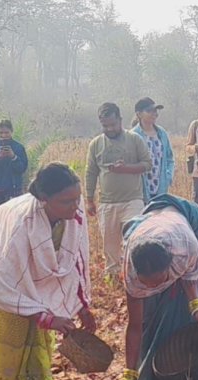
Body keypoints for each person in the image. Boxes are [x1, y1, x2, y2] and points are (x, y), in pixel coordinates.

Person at [0, 162, 96, 380]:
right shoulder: (20, 225)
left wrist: (82, 305)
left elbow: (77, 259)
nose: (75, 207)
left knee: (40, 337)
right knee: (11, 331)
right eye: (66, 202)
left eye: (77, 199)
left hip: (36, 271)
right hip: (2, 263)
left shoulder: (74, 211)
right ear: (44, 199)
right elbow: (3, 288)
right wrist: (47, 317)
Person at [113, 195, 198, 380]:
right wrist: (128, 377)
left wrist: (197, 308)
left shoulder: (186, 250)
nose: (152, 288)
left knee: (180, 306)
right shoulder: (132, 275)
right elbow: (134, 326)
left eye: (159, 282)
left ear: (171, 265)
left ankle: (191, 374)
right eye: (147, 284)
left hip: (188, 219)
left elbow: (190, 282)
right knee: (150, 313)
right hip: (150, 224)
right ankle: (150, 375)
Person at [85, 103, 152, 284]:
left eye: (113, 125)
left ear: (120, 120)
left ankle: (135, 275)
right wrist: (89, 199)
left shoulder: (135, 140)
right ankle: (113, 277)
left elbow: (147, 164)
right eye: (105, 126)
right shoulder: (96, 144)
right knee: (110, 244)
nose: (110, 129)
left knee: (135, 239)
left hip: (133, 200)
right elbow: (91, 172)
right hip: (107, 202)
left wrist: (126, 169)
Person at [132, 97, 174, 202]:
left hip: (161, 187)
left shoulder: (162, 133)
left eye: (155, 111)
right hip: (140, 189)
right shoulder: (133, 135)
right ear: (139, 114)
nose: (154, 114)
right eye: (149, 111)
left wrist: (168, 176)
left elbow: (169, 158)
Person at [0, 119, 29, 210]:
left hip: (14, 189)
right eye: (1, 133)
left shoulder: (19, 147)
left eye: (6, 132)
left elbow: (22, 168)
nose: (4, 135)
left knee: (15, 218)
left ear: (11, 131)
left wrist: (13, 157)